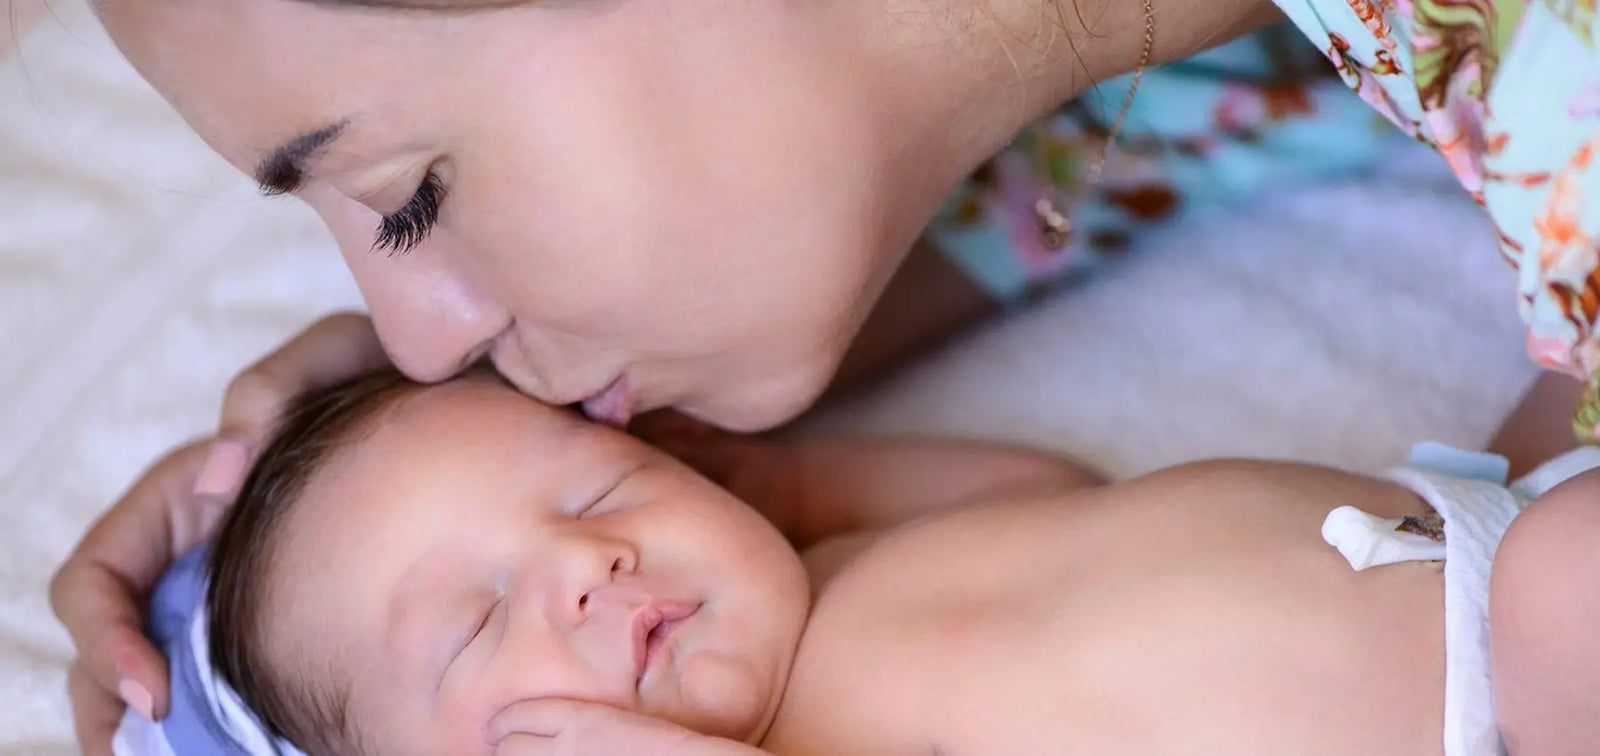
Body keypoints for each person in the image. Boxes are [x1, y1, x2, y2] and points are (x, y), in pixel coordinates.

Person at [51, 0, 1599, 749]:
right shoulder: (1214, 80)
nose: (417, 336)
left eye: (411, 196)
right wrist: (422, 460)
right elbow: (1055, 202)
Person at [119, 369, 1600, 755]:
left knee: (1563, 314)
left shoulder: (832, 569)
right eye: (475, 621)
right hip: (1490, 687)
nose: (586, 558)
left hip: (1475, 517)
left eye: (600, 483)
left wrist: (806, 478)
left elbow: (1053, 497)